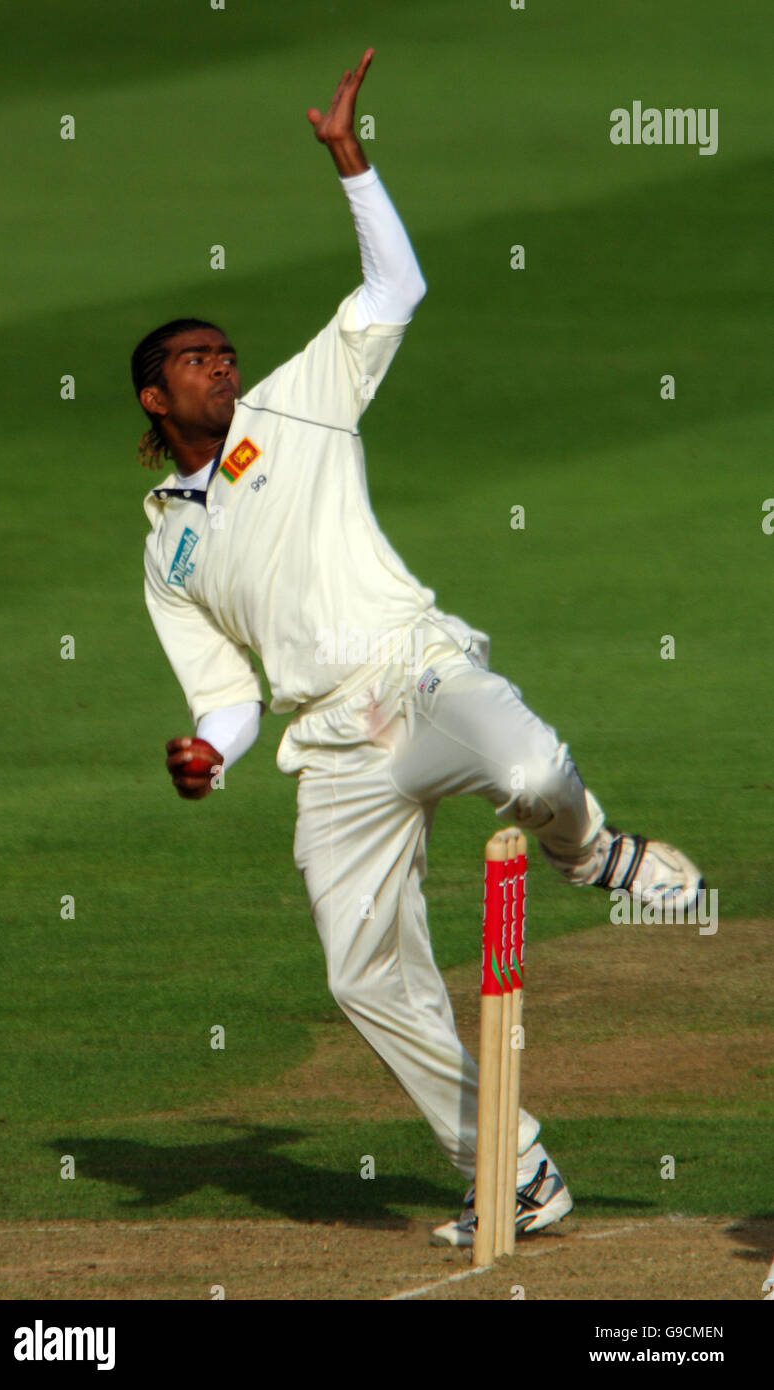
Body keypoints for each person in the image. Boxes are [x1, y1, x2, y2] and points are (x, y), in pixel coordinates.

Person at [134, 49, 704, 1247]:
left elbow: (396, 284)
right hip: (331, 745)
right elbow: (226, 694)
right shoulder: (165, 555)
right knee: (364, 980)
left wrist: (351, 162)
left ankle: (596, 857)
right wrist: (207, 752)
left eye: (227, 350)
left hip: (416, 671)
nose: (223, 366)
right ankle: (515, 1168)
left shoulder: (299, 399)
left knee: (540, 775)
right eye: (197, 359)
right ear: (151, 398)